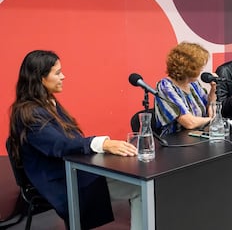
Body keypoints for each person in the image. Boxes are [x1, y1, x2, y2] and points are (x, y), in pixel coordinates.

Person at [8, 50, 142, 230]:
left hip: (71, 171)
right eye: (57, 73)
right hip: (58, 180)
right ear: (40, 78)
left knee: (138, 185)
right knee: (139, 189)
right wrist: (101, 143)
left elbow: (71, 141)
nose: (63, 76)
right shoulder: (28, 113)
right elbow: (59, 145)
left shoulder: (48, 103)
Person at [155, 42, 216, 134]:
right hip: (175, 141)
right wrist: (212, 120)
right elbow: (189, 123)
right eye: (199, 67)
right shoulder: (165, 87)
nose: (201, 69)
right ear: (189, 68)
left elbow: (209, 105)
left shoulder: (193, 84)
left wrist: (213, 88)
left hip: (197, 136)